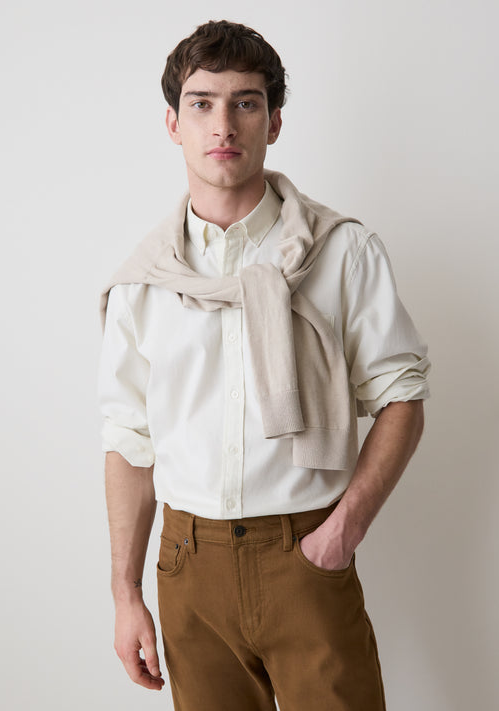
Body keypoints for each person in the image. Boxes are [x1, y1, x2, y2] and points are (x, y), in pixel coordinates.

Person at [98, 19, 430, 711]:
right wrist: (126, 594)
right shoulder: (143, 280)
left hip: (305, 553)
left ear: (273, 121)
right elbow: (130, 441)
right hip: (189, 566)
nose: (223, 124)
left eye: (245, 102)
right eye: (202, 103)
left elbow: (401, 397)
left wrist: (341, 532)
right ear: (173, 122)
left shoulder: (342, 251)